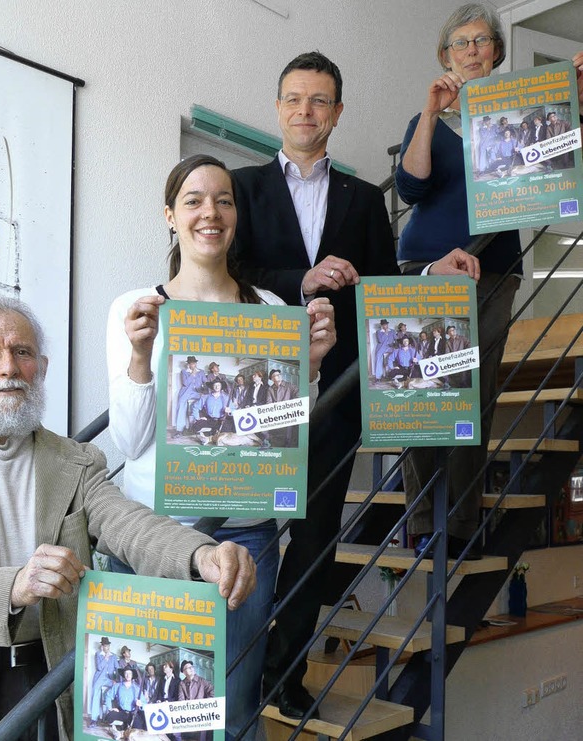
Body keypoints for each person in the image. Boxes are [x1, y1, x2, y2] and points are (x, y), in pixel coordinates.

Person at [230, 49, 480, 720]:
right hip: (253, 393)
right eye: (293, 98)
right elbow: (227, 274)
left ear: (337, 113)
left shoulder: (366, 198)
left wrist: (431, 276)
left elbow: (379, 289)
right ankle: (234, 672)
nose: (304, 111)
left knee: (314, 542)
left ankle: (283, 674)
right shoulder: (239, 188)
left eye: (318, 100)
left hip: (337, 393)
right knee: (244, 538)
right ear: (278, 106)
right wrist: (301, 282)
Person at [0, 297, 256, 741]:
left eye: (23, 352)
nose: (9, 367)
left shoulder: (78, 460)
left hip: (58, 673)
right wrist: (14, 585)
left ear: (43, 367)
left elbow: (127, 522)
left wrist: (201, 554)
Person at [106, 154, 336, 740]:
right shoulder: (135, 309)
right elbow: (130, 443)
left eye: (224, 200)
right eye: (194, 200)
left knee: (232, 710)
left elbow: (286, 437)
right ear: (170, 216)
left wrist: (308, 368)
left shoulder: (272, 312)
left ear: (236, 215)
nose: (211, 212)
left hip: (243, 538)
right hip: (156, 536)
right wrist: (139, 357)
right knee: (156, 722)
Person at [395, 2, 530, 561]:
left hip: (492, 266)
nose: (472, 50)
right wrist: (431, 113)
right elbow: (411, 188)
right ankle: (424, 520)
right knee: (420, 393)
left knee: (474, 394)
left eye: (481, 41)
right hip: (427, 265)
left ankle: (463, 521)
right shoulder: (424, 120)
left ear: (497, 52)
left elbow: (554, 162)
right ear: (445, 55)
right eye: (460, 42)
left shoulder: (520, 112)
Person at [104, 667, 143, 737]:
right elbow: (108, 696)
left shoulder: (137, 689)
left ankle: (125, 730)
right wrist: (110, 708)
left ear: (132, 675)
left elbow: (144, 703)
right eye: (126, 673)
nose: (128, 675)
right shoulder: (117, 686)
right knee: (109, 717)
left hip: (132, 714)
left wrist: (140, 704)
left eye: (130, 673)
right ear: (123, 675)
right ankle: (122, 727)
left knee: (139, 728)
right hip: (121, 712)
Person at [90, 637, 119, 727]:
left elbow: (117, 668)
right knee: (95, 694)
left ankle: (109, 718)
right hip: (99, 678)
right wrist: (105, 657)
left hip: (110, 679)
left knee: (115, 690)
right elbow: (99, 667)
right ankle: (94, 719)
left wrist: (116, 679)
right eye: (106, 646)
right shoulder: (98, 654)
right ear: (102, 646)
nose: (108, 647)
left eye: (108, 645)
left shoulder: (113, 656)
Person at [175, 355, 206, 436]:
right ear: (188, 364)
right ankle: (179, 430)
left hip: (197, 392)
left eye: (195, 363)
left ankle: (199, 427)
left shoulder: (201, 372)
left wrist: (204, 391)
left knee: (205, 400)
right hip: (186, 392)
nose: (194, 365)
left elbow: (205, 383)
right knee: (181, 405)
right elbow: (185, 383)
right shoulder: (184, 372)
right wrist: (192, 374)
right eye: (192, 363)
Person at [192, 379, 231, 444]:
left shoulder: (226, 397)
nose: (217, 387)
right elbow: (195, 407)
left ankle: (209, 438)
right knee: (195, 426)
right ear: (212, 386)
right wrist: (198, 417)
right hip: (209, 419)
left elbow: (233, 409)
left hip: (221, 420)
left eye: (218, 385)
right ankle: (209, 438)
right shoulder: (205, 397)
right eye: (215, 385)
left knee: (227, 431)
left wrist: (229, 410)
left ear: (221, 387)